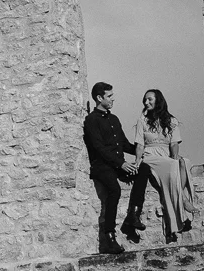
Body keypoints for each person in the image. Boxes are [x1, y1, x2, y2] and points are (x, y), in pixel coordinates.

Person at [83, 82, 140, 254]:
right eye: (109, 96)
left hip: (117, 164)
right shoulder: (91, 120)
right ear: (100, 98)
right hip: (102, 166)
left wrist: (142, 149)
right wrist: (121, 164)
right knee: (114, 190)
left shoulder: (114, 119)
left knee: (144, 171)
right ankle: (109, 237)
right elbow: (99, 148)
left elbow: (123, 144)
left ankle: (133, 215)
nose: (112, 99)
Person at [133, 89, 195, 243]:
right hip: (150, 156)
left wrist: (174, 156)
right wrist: (137, 161)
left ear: (158, 100)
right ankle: (184, 200)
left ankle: (179, 198)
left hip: (166, 154)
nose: (146, 103)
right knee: (173, 166)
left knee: (183, 162)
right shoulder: (142, 121)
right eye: (145, 100)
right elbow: (140, 144)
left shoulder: (171, 121)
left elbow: (174, 143)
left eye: (149, 99)